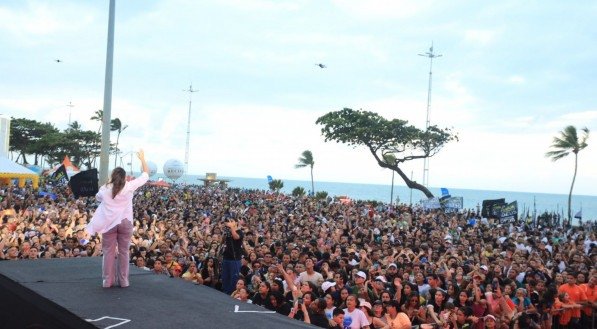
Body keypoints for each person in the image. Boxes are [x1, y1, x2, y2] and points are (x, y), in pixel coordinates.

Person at [86, 149, 149, 288]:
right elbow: (146, 175)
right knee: (124, 252)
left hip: (109, 223)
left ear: (112, 176)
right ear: (125, 177)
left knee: (108, 252)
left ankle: (107, 281)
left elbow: (97, 198)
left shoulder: (105, 188)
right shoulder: (130, 186)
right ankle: (124, 281)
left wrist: (108, 183)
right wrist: (142, 159)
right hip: (125, 222)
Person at [221, 216, 244, 294]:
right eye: (229, 221)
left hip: (235, 259)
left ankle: (231, 294)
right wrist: (225, 233)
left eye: (232, 221)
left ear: (236, 223)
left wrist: (231, 228)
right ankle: (225, 292)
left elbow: (236, 237)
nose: (229, 222)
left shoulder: (240, 232)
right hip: (226, 257)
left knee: (233, 278)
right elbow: (222, 241)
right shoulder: (228, 231)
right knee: (225, 277)